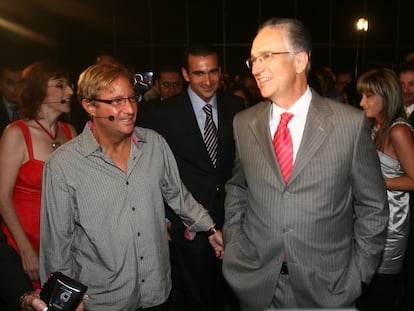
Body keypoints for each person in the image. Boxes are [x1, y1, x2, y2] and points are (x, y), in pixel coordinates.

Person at [222, 17, 388, 310]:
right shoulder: (244, 123)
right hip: (259, 286)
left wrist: (359, 276)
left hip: (329, 289)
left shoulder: (348, 124)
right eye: (253, 60)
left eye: (266, 56)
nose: (256, 68)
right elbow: (238, 189)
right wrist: (236, 247)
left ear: (300, 61)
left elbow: (373, 205)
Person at [39, 62, 224, 311]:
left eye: (131, 98)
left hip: (157, 294)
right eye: (115, 101)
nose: (129, 109)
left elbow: (178, 195)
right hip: (102, 301)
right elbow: (57, 245)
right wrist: (62, 302)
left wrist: (210, 228)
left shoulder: (154, 145)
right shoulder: (63, 166)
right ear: (89, 106)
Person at [137, 43, 244, 311]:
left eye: (213, 72)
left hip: (233, 218)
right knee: (198, 296)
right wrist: (162, 215)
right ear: (186, 74)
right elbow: (152, 168)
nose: (207, 81)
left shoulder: (237, 106)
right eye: (199, 73)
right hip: (189, 221)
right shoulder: (162, 114)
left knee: (233, 293)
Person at [0, 62, 76, 292]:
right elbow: (2, 198)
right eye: (60, 86)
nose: (70, 92)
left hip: (61, 239)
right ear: (39, 91)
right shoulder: (16, 133)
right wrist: (25, 251)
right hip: (25, 237)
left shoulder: (70, 132)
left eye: (69, 85)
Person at [355, 67, 414, 310]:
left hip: (391, 225)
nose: (362, 102)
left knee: (380, 296)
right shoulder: (376, 126)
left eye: (369, 96)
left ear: (386, 97)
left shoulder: (398, 130)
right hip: (372, 221)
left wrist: (373, 183)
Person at [0, 63, 23, 134]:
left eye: (20, 83)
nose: (17, 88)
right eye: (11, 83)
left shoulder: (35, 109)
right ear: (0, 85)